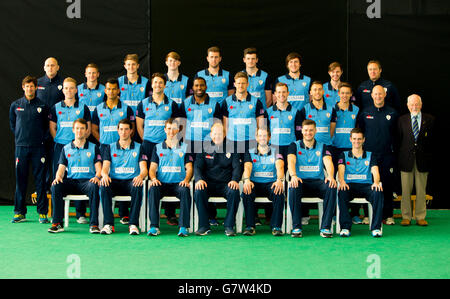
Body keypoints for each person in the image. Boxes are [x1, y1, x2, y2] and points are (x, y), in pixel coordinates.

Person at [136, 73, 180, 225]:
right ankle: (147, 213)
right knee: (148, 177)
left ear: (165, 85)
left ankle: (170, 214)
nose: (158, 85)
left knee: (169, 175)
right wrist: (146, 141)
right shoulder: (143, 103)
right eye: (155, 83)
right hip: (148, 145)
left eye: (161, 83)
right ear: (152, 85)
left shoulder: (172, 104)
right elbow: (139, 126)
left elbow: (175, 126)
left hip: (167, 145)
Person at [91, 78, 135, 224]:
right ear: (105, 91)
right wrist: (102, 141)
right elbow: (94, 128)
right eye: (108, 89)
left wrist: (122, 142)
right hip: (104, 147)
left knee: (122, 173)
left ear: (118, 90)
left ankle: (124, 214)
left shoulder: (126, 108)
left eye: (114, 89)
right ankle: (103, 217)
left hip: (122, 147)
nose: (111, 91)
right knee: (105, 179)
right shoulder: (99, 108)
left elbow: (132, 127)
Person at [49, 77, 92, 224]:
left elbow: (88, 128)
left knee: (80, 175)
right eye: (66, 88)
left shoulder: (83, 107)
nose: (69, 91)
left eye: (71, 88)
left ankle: (80, 213)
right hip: (61, 146)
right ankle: (57, 215)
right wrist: (63, 142)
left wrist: (77, 142)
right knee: (59, 178)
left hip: (79, 146)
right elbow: (52, 128)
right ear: (63, 90)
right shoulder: (56, 107)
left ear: (76, 90)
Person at [48, 118, 102, 233]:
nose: (79, 131)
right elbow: (61, 169)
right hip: (72, 182)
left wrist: (97, 177)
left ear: (87, 130)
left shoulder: (93, 147)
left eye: (82, 128)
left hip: (87, 182)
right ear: (73, 130)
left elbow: (99, 169)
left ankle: (94, 225)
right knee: (56, 186)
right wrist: (58, 177)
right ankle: (57, 223)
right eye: (77, 128)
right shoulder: (66, 148)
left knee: (94, 186)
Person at [287, 119, 337, 238]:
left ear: (315, 131)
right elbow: (291, 161)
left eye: (311, 130)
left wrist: (330, 176)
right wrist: (293, 176)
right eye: (306, 130)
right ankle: (296, 227)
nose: (308, 133)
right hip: (301, 182)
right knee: (293, 187)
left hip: (317, 183)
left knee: (331, 186)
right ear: (301, 131)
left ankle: (325, 227)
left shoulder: (323, 146)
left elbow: (328, 162)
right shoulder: (294, 145)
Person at [9, 76, 50, 223]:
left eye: (32, 86)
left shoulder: (43, 106)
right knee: (21, 180)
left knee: (40, 181)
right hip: (21, 148)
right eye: (27, 86)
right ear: (23, 87)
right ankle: (19, 212)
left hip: (38, 148)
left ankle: (42, 213)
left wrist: (39, 139)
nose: (29, 89)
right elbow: (13, 125)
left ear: (36, 88)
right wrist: (22, 138)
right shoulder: (16, 105)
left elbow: (47, 127)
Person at [357, 85, 399, 225]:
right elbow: (360, 132)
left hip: (387, 155)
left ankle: (388, 215)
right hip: (369, 156)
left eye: (380, 94)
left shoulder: (392, 113)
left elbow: (397, 135)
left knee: (387, 185)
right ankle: (369, 215)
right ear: (372, 95)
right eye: (376, 94)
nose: (378, 96)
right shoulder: (365, 112)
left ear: (384, 95)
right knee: (370, 184)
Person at [99, 119, 148, 235]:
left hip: (131, 181)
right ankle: (108, 224)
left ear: (131, 131)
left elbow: (144, 168)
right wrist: (105, 175)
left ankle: (133, 224)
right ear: (117, 130)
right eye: (121, 129)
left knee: (137, 185)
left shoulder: (139, 147)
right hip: (115, 181)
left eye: (126, 129)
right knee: (104, 185)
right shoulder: (110, 147)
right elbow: (105, 167)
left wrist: (140, 176)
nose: (123, 132)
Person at [194, 122, 242, 236]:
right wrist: (199, 179)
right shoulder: (204, 147)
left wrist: (235, 180)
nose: (217, 136)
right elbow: (197, 166)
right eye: (215, 134)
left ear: (224, 135)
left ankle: (229, 226)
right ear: (211, 135)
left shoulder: (232, 147)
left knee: (234, 191)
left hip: (226, 184)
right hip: (208, 184)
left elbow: (237, 167)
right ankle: (204, 226)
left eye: (220, 134)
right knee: (199, 191)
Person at [148, 118, 194, 236]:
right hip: (162, 183)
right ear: (164, 130)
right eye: (169, 128)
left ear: (178, 130)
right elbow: (152, 168)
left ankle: (183, 227)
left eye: (174, 129)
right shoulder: (157, 148)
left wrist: (186, 180)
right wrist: (153, 179)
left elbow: (189, 167)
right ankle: (154, 226)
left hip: (179, 183)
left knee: (185, 190)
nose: (171, 132)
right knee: (153, 189)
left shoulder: (185, 147)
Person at [337, 128, 384, 237]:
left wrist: (376, 182)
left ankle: (376, 228)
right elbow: (341, 170)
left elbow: (375, 171)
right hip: (350, 186)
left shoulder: (370, 155)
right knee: (342, 192)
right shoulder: (343, 155)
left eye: (359, 139)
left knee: (377, 192)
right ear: (350, 139)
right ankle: (345, 227)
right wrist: (342, 181)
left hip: (366, 186)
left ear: (363, 140)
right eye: (354, 139)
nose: (356, 141)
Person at [397, 94, 435, 226]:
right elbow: (399, 140)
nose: (414, 107)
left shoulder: (430, 119)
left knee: (421, 190)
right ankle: (406, 216)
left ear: (421, 105)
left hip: (422, 160)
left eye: (417, 104)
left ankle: (420, 216)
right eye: (412, 104)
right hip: (405, 160)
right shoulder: (402, 120)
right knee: (405, 190)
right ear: (407, 106)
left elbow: (432, 141)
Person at [241, 126, 285, 236]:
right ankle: (250, 226)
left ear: (269, 137)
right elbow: (247, 167)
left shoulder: (276, 150)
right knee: (247, 191)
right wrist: (246, 180)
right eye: (260, 136)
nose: (262, 138)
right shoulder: (250, 152)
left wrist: (279, 179)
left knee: (279, 191)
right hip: (255, 183)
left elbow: (280, 165)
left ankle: (276, 226)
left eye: (265, 136)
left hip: (271, 183)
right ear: (256, 138)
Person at [331, 82, 363, 224]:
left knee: (352, 179)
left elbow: (358, 129)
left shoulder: (356, 110)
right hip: (335, 148)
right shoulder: (332, 109)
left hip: (351, 150)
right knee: (333, 180)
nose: (344, 95)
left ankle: (354, 213)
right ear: (338, 94)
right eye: (342, 93)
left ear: (351, 95)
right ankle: (333, 212)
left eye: (347, 93)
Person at [36, 57, 65, 191]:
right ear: (44, 67)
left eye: (53, 65)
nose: (50, 68)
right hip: (41, 130)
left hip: (58, 129)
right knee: (42, 160)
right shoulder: (38, 83)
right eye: (48, 65)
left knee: (57, 160)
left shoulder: (63, 83)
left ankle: (58, 186)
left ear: (58, 67)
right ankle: (44, 188)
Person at [221, 71, 266, 154]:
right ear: (234, 84)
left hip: (251, 141)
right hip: (232, 141)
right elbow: (225, 125)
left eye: (243, 83)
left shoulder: (256, 102)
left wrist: (260, 140)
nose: (241, 86)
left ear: (247, 84)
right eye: (238, 83)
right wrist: (227, 140)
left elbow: (261, 124)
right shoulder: (227, 102)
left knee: (250, 166)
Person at [177, 77, 222, 155]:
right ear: (192, 87)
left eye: (202, 85)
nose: (199, 88)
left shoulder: (214, 104)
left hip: (208, 142)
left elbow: (218, 125)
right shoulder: (185, 103)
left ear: (206, 87)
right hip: (189, 142)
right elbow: (181, 124)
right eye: (196, 85)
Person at [266, 82, 302, 165]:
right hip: (273, 147)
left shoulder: (296, 112)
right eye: (279, 92)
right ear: (275, 94)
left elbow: (299, 133)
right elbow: (264, 131)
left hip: (291, 148)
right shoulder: (268, 112)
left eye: (284, 92)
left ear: (288, 93)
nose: (281, 94)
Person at [298, 81, 337, 146]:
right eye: (315, 90)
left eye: (320, 89)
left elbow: (331, 131)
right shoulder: (305, 109)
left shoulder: (331, 109)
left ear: (323, 91)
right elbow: (302, 130)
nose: (317, 92)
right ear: (310, 92)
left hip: (327, 145)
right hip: (310, 146)